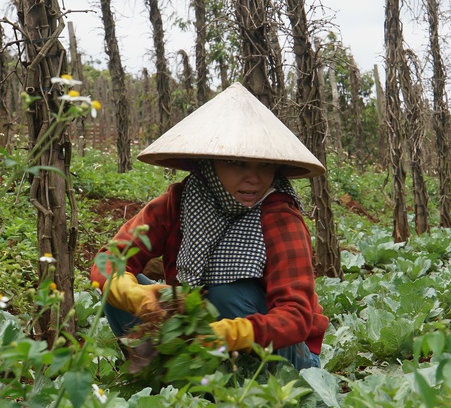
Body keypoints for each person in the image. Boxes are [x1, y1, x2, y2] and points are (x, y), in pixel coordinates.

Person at [90, 83, 329, 370]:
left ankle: (239, 382)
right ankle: (164, 371)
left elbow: (296, 317)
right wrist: (138, 297)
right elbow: (108, 260)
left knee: (225, 294)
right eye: (236, 163)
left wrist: (227, 334)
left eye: (264, 166)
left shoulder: (281, 216)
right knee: (117, 286)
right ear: (210, 163)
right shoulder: (179, 202)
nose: (254, 178)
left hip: (284, 358)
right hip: (199, 345)